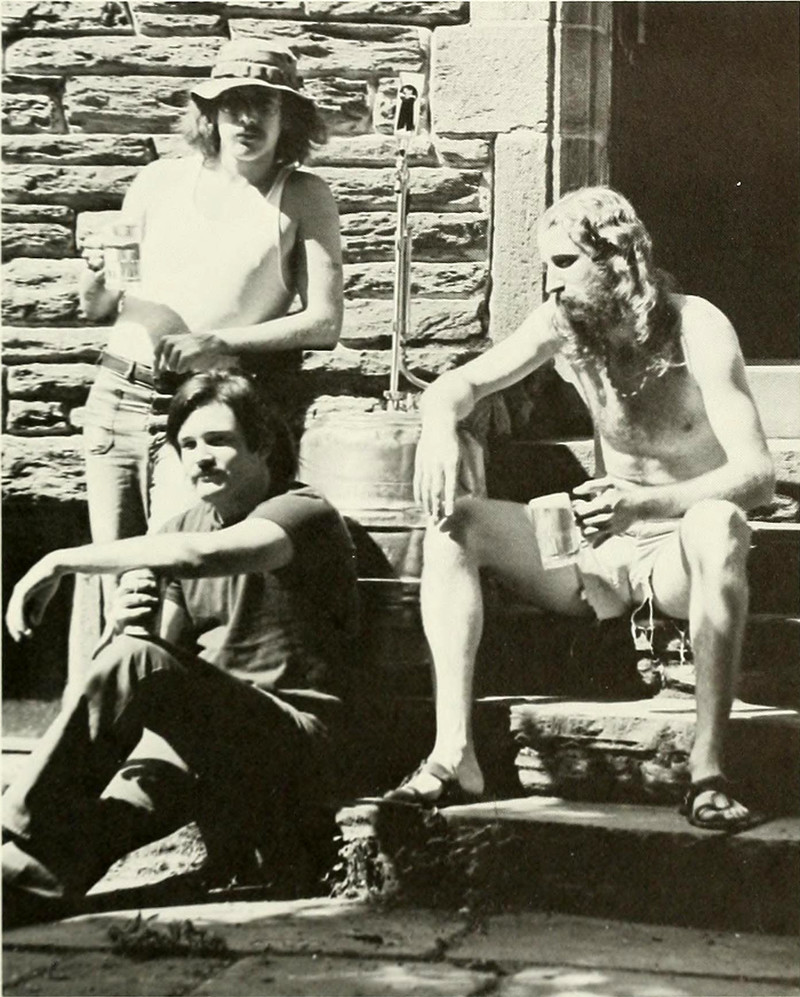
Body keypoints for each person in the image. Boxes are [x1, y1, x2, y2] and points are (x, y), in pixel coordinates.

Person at [383, 187, 775, 833]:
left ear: (618, 257)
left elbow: (758, 477)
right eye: (546, 266)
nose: (551, 282)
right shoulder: (562, 322)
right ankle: (454, 755)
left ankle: (707, 771)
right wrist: (438, 427)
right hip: (602, 552)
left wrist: (643, 504)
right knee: (458, 525)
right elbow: (461, 382)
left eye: (565, 262)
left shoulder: (697, 325)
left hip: (680, 553)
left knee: (720, 521)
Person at [3, 372, 359, 926]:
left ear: (263, 445)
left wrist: (58, 562)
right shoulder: (181, 526)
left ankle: (14, 821)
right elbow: (159, 660)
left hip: (294, 740)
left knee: (135, 663)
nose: (200, 457)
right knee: (111, 815)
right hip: (209, 738)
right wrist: (123, 625)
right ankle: (20, 885)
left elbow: (202, 558)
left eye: (218, 440)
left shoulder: (301, 511)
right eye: (187, 445)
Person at [78, 37, 343, 546]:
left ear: (288, 116)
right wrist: (95, 269)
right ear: (211, 113)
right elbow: (99, 306)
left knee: (181, 560)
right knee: (110, 567)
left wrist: (218, 342)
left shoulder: (302, 195)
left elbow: (325, 323)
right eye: (233, 103)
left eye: (264, 104)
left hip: (209, 409)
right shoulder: (158, 182)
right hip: (118, 396)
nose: (247, 119)